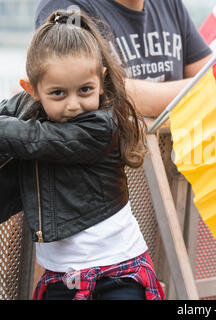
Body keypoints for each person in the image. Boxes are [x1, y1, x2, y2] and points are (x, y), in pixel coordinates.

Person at [0, 10, 165, 300]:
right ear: (32, 90)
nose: (74, 104)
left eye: (85, 90)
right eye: (58, 94)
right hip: (60, 278)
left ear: (101, 81)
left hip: (118, 272)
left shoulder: (101, 126)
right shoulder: (28, 107)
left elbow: (33, 138)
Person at [34, 0, 213, 118]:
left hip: (173, 165)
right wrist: (200, 91)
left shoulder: (169, 4)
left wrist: (209, 87)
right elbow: (102, 91)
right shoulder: (67, 6)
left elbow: (215, 80)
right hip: (109, 168)